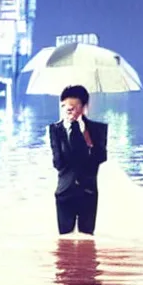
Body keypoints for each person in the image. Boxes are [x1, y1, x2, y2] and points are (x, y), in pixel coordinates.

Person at [48, 85, 108, 235]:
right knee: (64, 242)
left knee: (87, 240)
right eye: (66, 107)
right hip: (64, 192)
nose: (70, 110)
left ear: (84, 107)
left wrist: (85, 137)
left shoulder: (97, 129)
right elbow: (58, 163)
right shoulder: (55, 130)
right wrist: (68, 136)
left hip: (88, 191)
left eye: (74, 107)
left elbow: (100, 157)